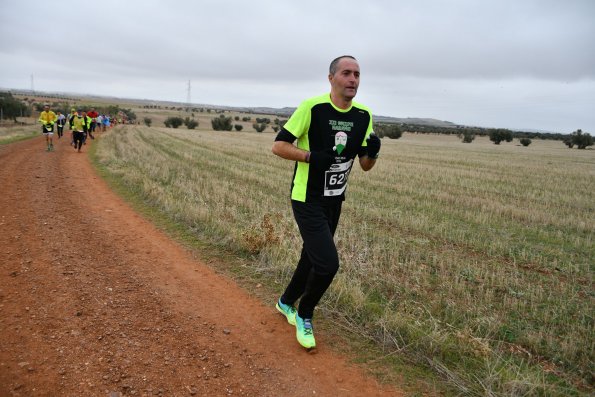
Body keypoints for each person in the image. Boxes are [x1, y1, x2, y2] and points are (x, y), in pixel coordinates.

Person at [271, 55, 381, 350]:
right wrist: (310, 156)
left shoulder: (364, 115)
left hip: (335, 199)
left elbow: (365, 165)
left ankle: (285, 302)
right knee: (328, 264)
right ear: (331, 77)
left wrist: (373, 152)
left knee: (312, 257)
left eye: (357, 74)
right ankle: (304, 313)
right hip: (306, 197)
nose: (353, 79)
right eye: (346, 73)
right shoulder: (313, 107)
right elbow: (278, 146)